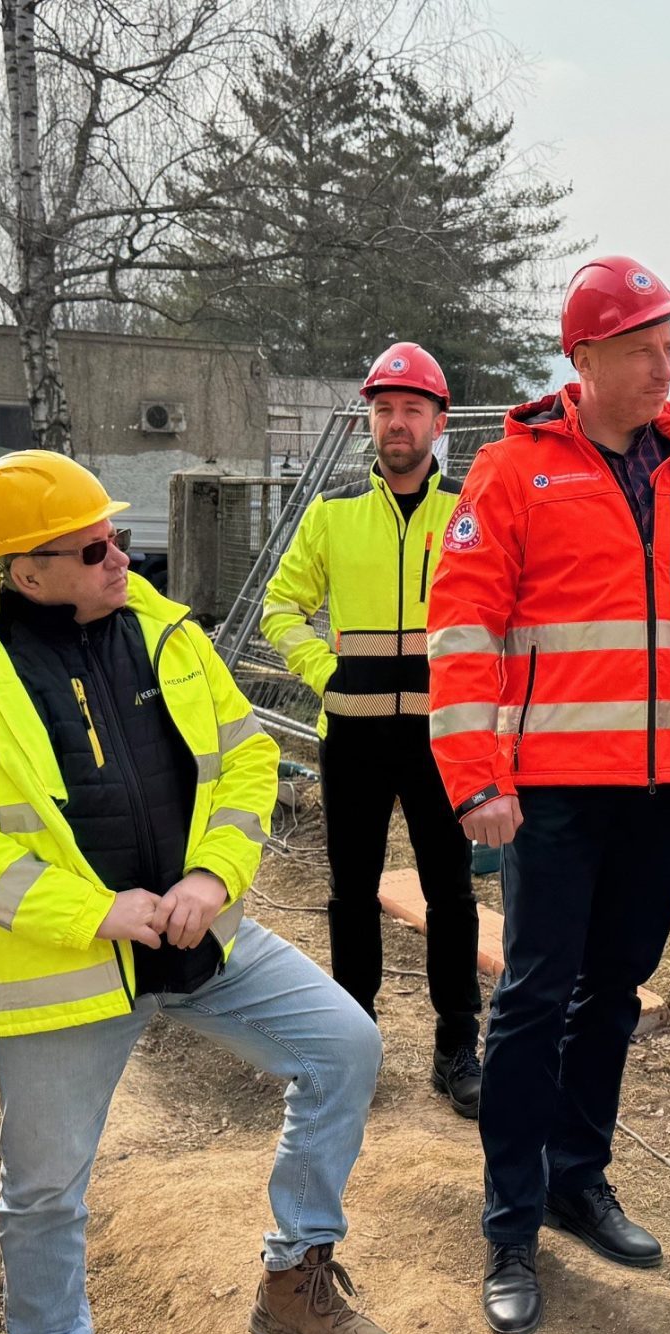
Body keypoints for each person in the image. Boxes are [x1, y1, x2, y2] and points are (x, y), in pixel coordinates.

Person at [0, 451, 394, 1334]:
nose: (118, 555)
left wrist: (212, 877)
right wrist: (90, 911)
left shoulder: (163, 630)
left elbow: (248, 753)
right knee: (42, 1192)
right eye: (91, 547)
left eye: (117, 535)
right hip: (64, 969)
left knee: (344, 1046)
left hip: (198, 939)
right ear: (21, 570)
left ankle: (294, 1279)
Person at [426, 255, 670, 1334]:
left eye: (668, 348)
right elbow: (463, 638)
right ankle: (509, 1221)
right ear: (582, 360)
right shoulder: (510, 472)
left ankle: (579, 1180)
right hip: (550, 791)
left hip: (664, 786)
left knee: (617, 988)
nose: (660, 369)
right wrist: (476, 777)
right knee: (535, 998)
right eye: (641, 350)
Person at [261, 341, 483, 1116]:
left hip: (441, 740)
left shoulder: (467, 516)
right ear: (371, 420)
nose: (396, 424)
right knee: (351, 894)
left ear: (438, 424)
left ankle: (459, 1045)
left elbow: (501, 616)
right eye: (384, 410)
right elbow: (279, 608)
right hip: (352, 737)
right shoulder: (333, 516)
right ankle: (348, 1043)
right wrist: (326, 672)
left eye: (412, 410)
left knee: (451, 895)